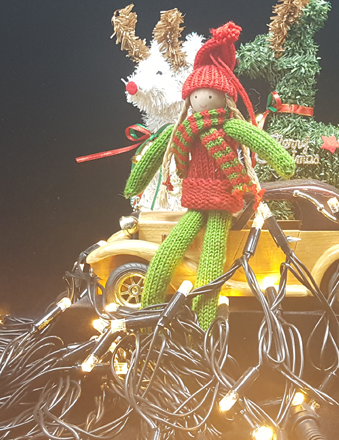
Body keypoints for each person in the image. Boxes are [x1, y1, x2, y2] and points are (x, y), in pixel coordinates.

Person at [124, 22, 295, 328]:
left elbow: (261, 141)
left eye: (210, 93)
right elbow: (156, 153)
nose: (202, 99)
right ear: (188, 98)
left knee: (212, 260)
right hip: (194, 200)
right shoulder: (182, 130)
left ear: (225, 97)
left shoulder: (231, 126)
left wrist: (283, 163)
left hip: (223, 203)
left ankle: (203, 325)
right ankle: (150, 311)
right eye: (197, 94)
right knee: (168, 251)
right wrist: (135, 184)